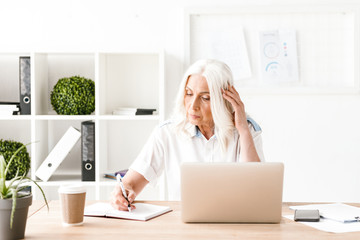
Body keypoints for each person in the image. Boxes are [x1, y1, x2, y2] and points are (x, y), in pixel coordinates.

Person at [111, 59, 264, 211]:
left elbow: (256, 189)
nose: (193, 105)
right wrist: (123, 192)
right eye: (189, 94)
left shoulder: (246, 130)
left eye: (205, 98)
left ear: (224, 100)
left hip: (235, 224)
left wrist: (243, 129)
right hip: (183, 227)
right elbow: (131, 183)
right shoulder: (167, 133)